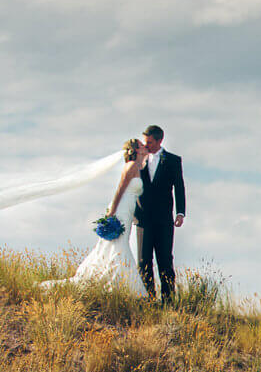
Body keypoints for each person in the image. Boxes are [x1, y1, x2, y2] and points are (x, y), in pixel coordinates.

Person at [37, 138, 148, 293]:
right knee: (119, 244)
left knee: (116, 244)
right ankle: (127, 288)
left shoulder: (138, 166)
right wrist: (112, 212)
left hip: (128, 211)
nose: (145, 146)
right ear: (136, 150)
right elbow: (119, 190)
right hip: (120, 209)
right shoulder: (130, 166)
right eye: (142, 145)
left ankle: (117, 283)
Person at [134, 125, 186, 302]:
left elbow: (179, 187)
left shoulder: (172, 160)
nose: (146, 145)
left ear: (159, 140)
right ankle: (148, 299)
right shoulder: (138, 159)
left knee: (165, 259)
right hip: (142, 219)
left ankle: (168, 300)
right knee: (143, 260)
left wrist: (180, 212)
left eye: (149, 142)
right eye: (145, 141)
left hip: (164, 219)